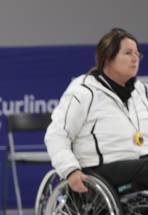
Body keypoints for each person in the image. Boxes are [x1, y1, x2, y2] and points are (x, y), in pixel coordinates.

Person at [45, 28, 148, 193]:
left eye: (138, 54)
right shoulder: (84, 91)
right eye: (128, 53)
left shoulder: (141, 91)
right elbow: (57, 135)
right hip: (101, 169)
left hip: (140, 164)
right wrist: (70, 170)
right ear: (108, 57)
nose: (135, 58)